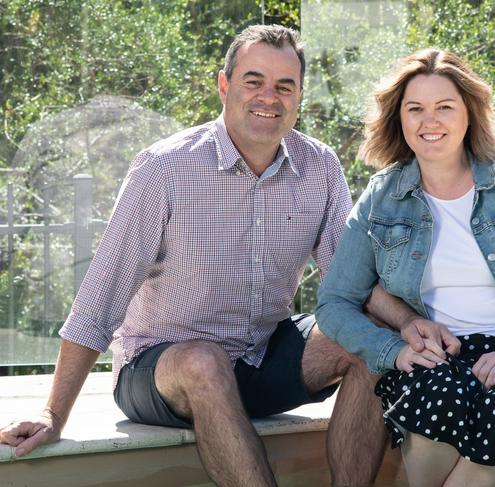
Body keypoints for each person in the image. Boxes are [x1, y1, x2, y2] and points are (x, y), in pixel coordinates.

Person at [0, 24, 428, 487]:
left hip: (262, 353)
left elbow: (351, 283)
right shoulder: (164, 168)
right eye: (253, 81)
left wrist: (405, 325)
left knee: (370, 339)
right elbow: (101, 296)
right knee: (205, 361)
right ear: (224, 86)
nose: (269, 96)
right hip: (161, 370)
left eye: (285, 86)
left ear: (300, 96)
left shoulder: (319, 167)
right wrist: (52, 413)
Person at [315, 47, 495, 487]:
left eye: (444, 107)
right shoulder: (382, 198)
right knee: (436, 400)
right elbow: (335, 302)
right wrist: (393, 351)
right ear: (399, 120)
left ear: (469, 114)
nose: (428, 121)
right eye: (415, 109)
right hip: (441, 358)